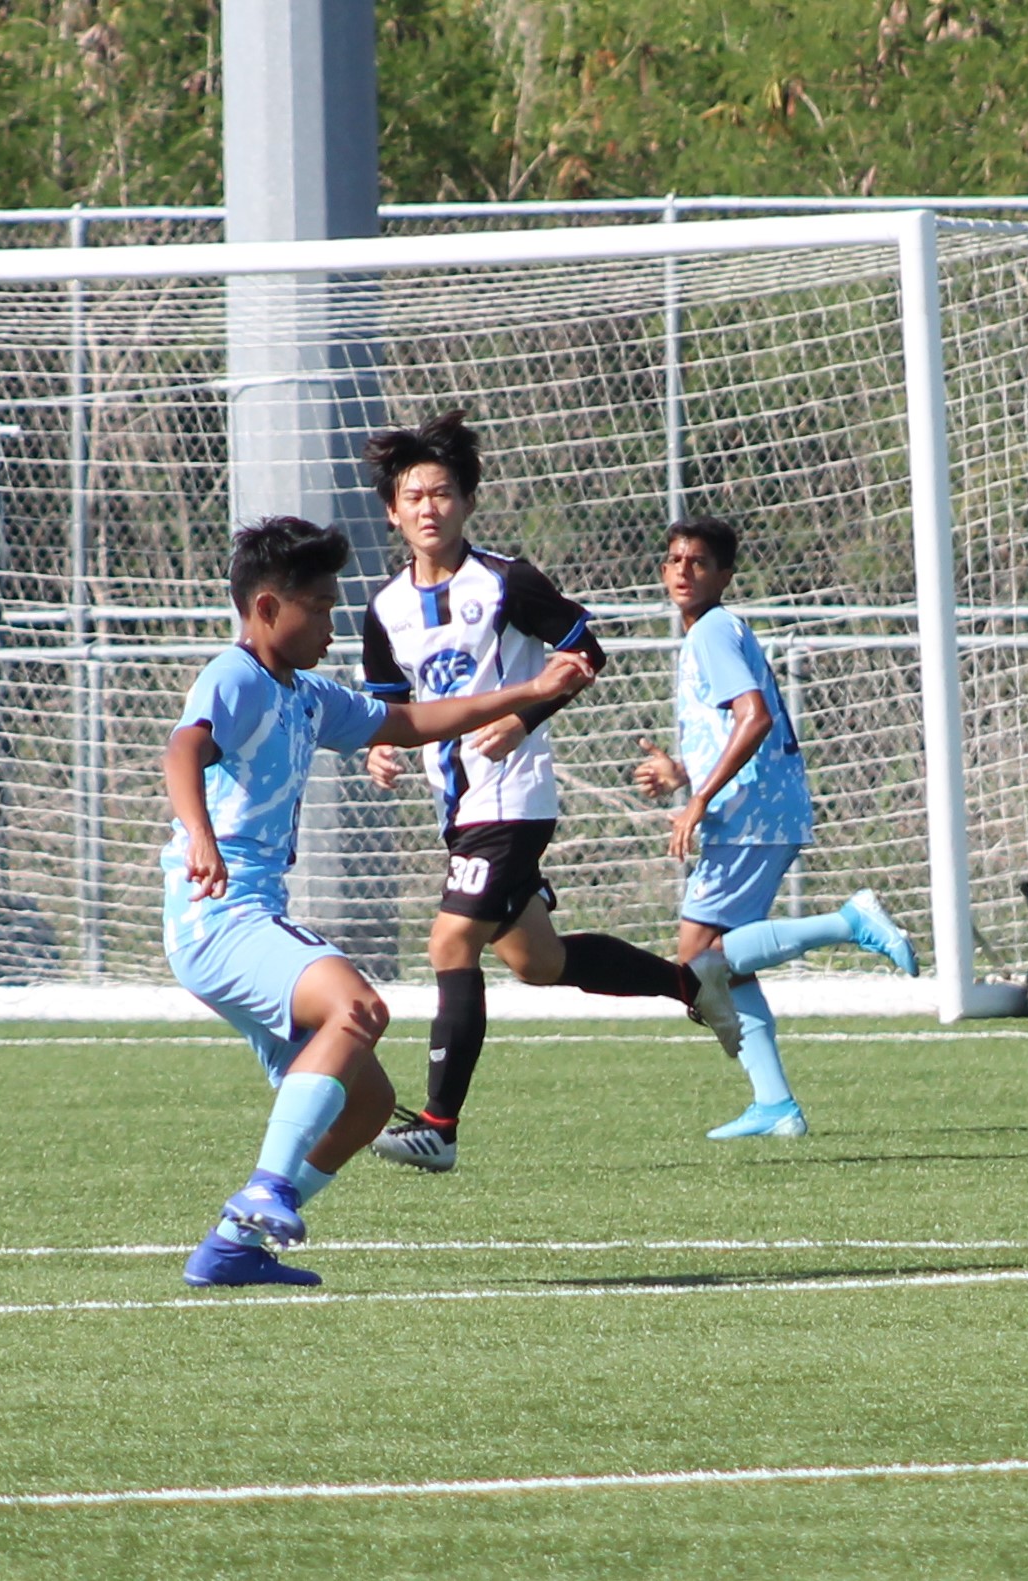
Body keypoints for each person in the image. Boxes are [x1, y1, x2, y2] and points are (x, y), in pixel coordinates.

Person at [167, 515, 595, 1288]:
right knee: (357, 1007)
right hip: (219, 913)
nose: (335, 625)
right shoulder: (233, 676)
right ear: (267, 609)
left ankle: (233, 1246)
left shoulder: (303, 694)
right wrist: (198, 833)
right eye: (322, 608)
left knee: (367, 1104)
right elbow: (184, 747)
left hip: (245, 916)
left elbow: (407, 720)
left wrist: (527, 691)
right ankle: (265, 1187)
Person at [357, 411, 738, 1175]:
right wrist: (379, 748)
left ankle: (439, 1126)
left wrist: (523, 718)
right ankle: (689, 982)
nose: (428, 507)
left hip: (514, 798)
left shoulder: (505, 581)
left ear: (467, 501)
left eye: (442, 492)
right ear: (393, 512)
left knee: (448, 942)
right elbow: (394, 705)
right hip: (458, 808)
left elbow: (585, 650)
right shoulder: (383, 609)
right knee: (537, 960)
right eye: (413, 495)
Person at [632, 514, 919, 1138]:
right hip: (761, 809)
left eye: (700, 562)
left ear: (724, 576)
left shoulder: (711, 630)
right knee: (724, 969)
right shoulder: (718, 631)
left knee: (696, 963)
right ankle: (776, 1107)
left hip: (748, 816)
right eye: (676, 559)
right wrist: (683, 773)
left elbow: (755, 718)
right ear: (663, 570)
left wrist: (699, 799)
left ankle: (850, 922)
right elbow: (739, 729)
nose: (685, 570)